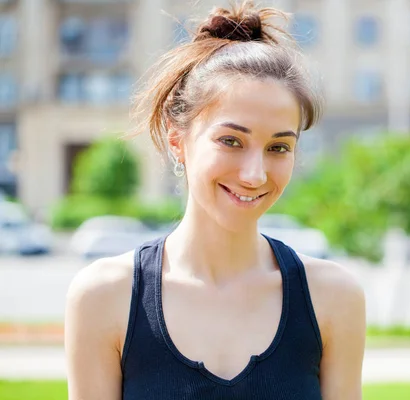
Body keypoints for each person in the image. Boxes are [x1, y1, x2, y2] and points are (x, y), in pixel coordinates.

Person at [64, 1, 366, 399]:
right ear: (177, 140)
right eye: (231, 141)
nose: (255, 174)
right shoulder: (105, 296)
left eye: (278, 147)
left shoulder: (333, 297)